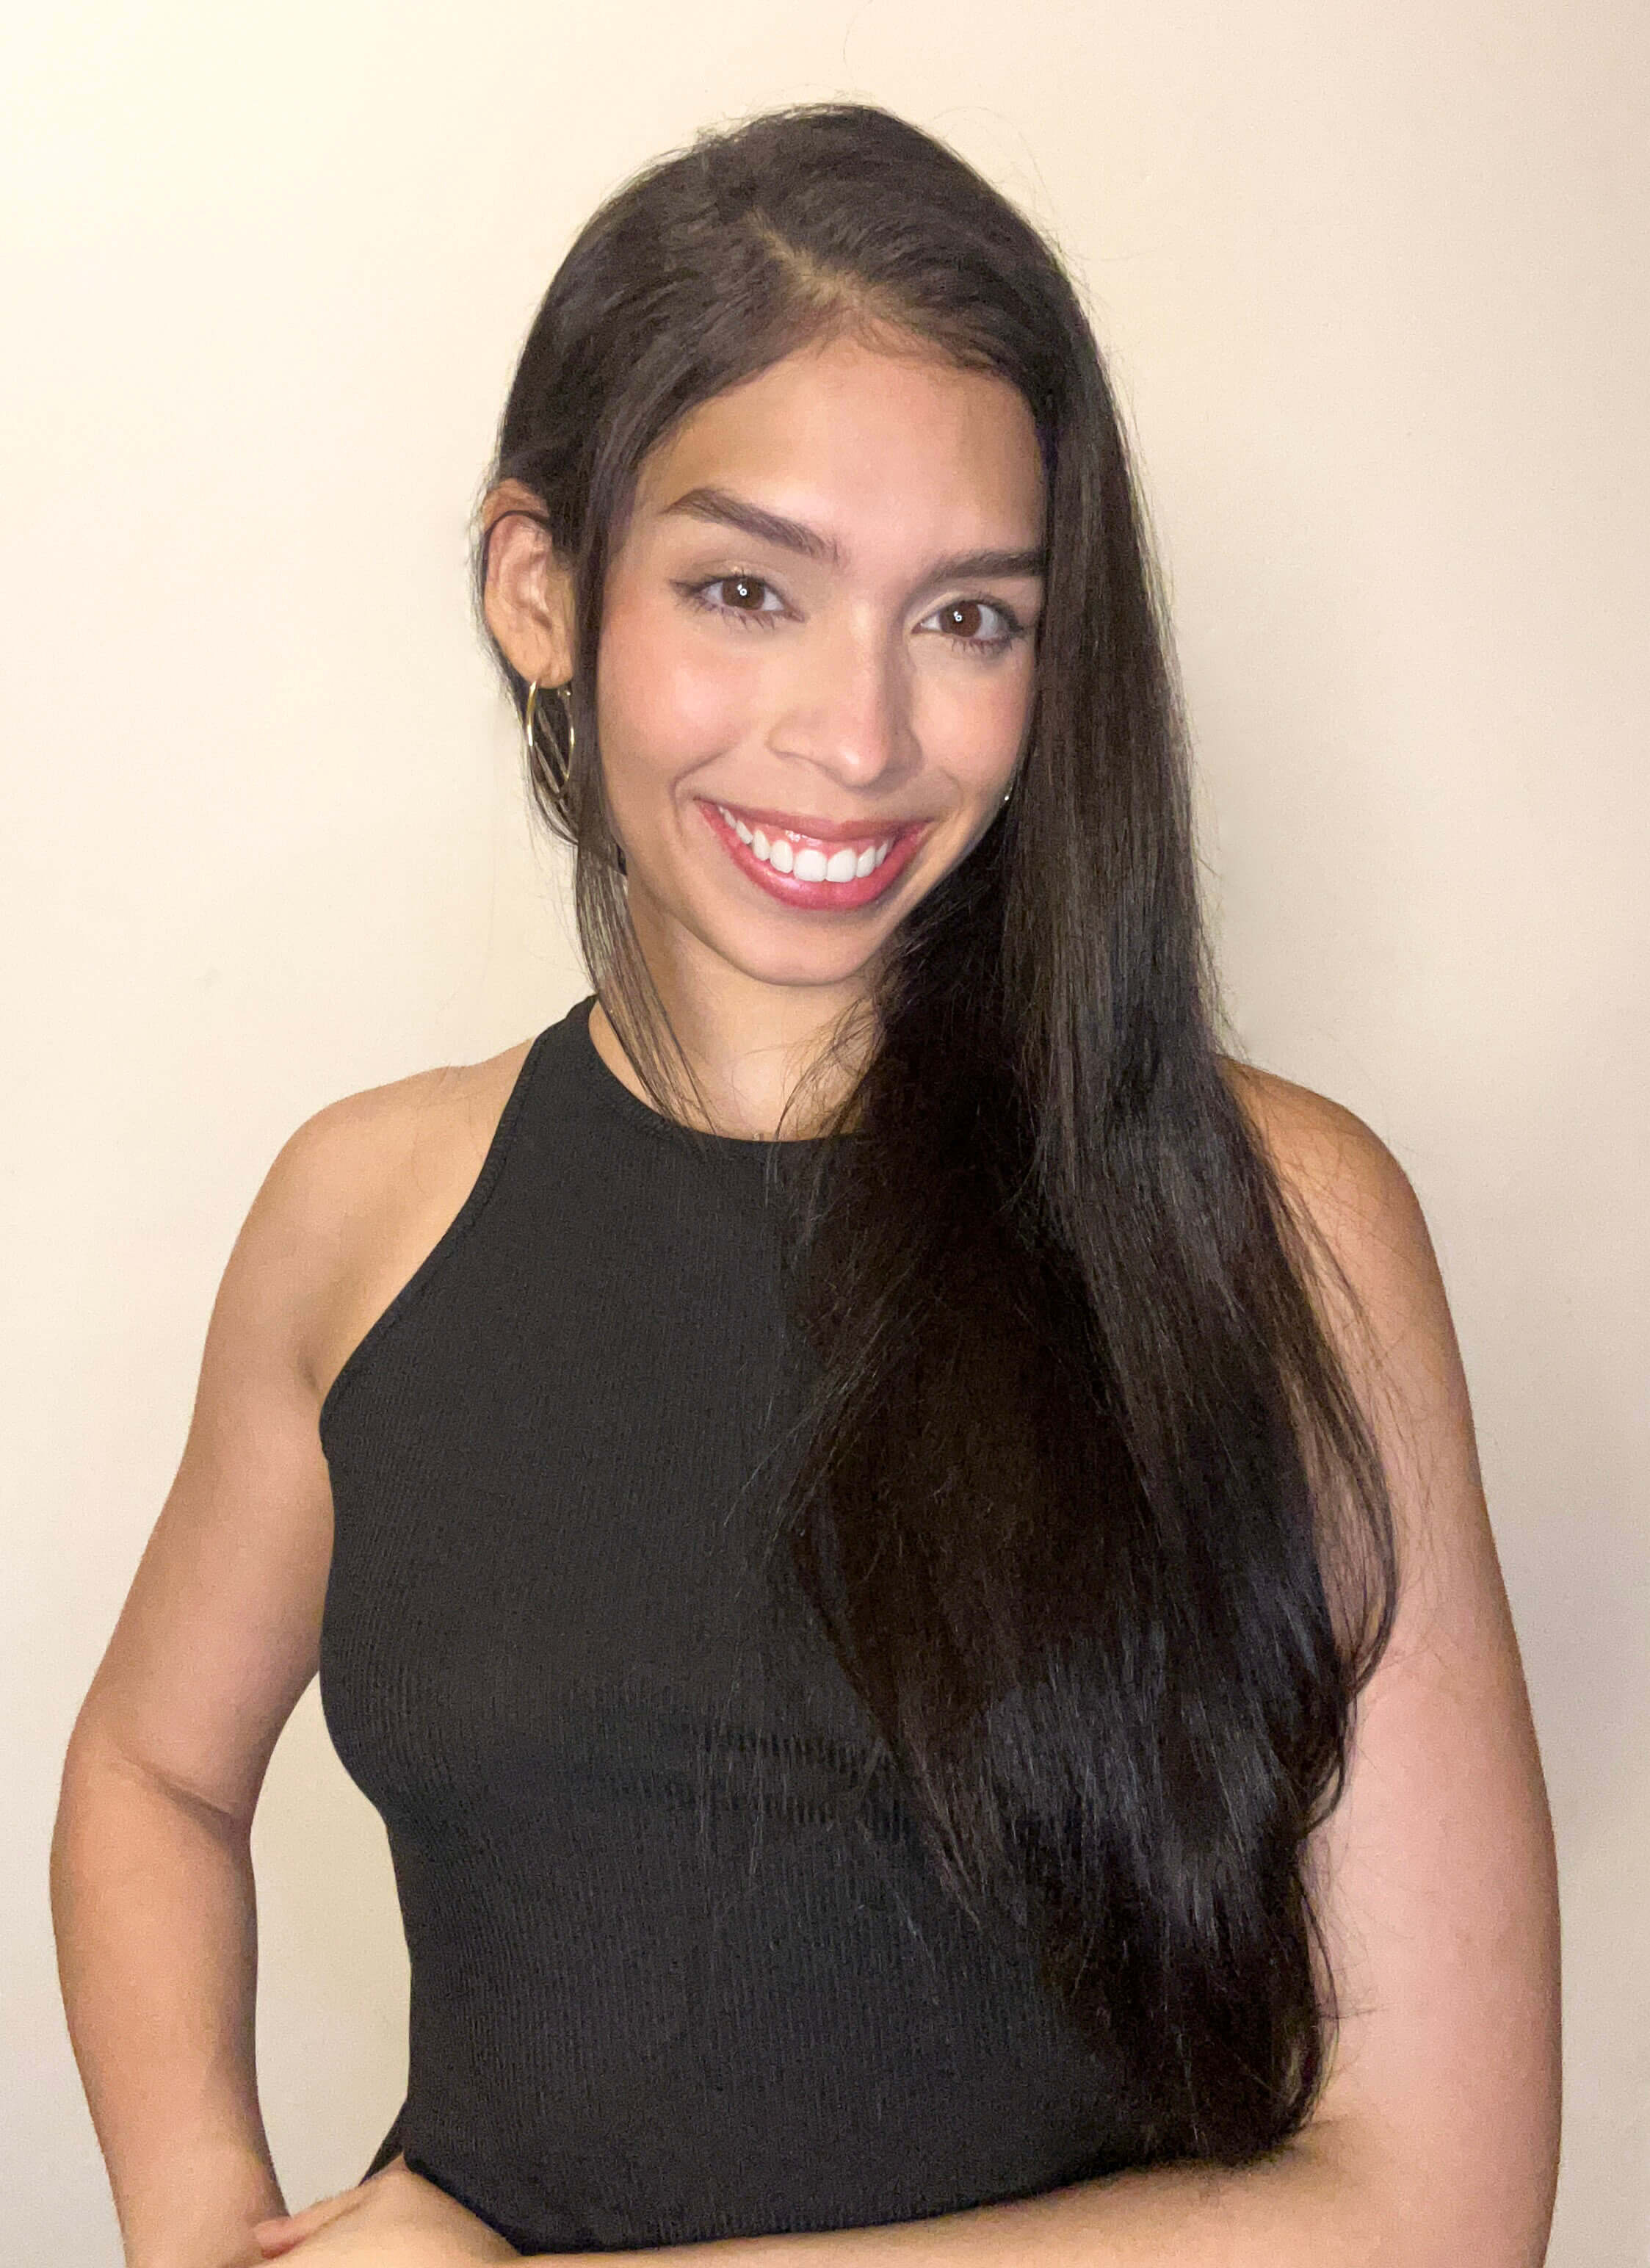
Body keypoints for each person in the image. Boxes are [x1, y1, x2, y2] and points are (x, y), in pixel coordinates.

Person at [51, 102, 1560, 2268]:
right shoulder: (362, 1213)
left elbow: (1438, 2206)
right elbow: (151, 1778)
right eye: (746, 590)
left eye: (966, 618)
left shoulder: (1281, 1232)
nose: (858, 739)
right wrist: (199, 2216)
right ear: (541, 586)